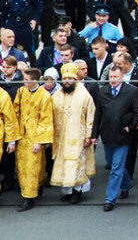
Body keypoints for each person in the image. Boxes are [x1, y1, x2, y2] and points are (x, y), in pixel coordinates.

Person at [92, 64, 138, 211]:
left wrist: (130, 127)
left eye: (116, 77)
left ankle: (110, 199)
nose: (113, 80)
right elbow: (98, 115)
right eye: (111, 77)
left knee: (116, 168)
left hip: (123, 136)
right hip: (107, 135)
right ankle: (126, 183)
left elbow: (137, 112)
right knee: (112, 162)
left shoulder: (131, 91)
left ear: (122, 77)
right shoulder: (103, 92)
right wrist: (94, 135)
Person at [51, 62, 96, 204]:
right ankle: (67, 192)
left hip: (79, 136)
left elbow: (91, 116)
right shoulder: (56, 96)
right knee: (64, 165)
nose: (67, 82)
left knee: (77, 165)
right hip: (61, 137)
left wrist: (89, 135)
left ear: (75, 79)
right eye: (65, 79)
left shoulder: (84, 95)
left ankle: (78, 191)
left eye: (70, 79)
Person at [12, 67, 53, 211]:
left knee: (32, 166)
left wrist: (40, 141)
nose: (24, 82)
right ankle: (36, 187)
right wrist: (13, 135)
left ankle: (29, 197)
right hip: (22, 135)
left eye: (27, 80)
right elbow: (15, 111)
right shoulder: (21, 92)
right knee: (22, 165)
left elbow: (46, 119)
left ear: (35, 80)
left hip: (35, 135)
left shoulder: (44, 96)